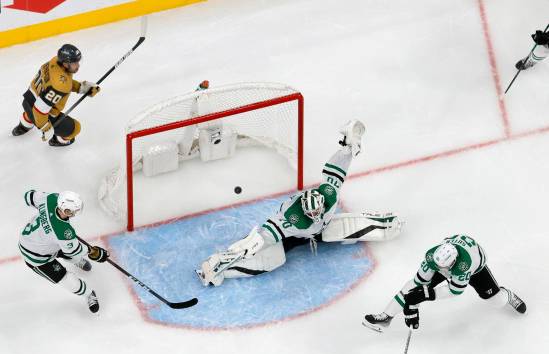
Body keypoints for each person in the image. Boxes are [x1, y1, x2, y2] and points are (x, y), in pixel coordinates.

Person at [196, 120, 402, 286]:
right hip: (292, 236)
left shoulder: (327, 194)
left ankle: (381, 224)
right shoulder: (292, 219)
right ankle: (221, 268)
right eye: (312, 214)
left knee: (335, 230)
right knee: (272, 260)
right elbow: (263, 237)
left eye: (318, 212)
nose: (316, 214)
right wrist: (234, 253)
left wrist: (348, 147)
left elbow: (335, 169)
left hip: (319, 230)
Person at [363, 235, 525, 332]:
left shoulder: (464, 265)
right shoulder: (433, 256)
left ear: (453, 262)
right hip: (448, 263)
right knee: (412, 286)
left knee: (497, 302)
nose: (440, 269)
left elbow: (455, 291)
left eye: (444, 267)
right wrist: (413, 302)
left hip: (476, 270)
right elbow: (418, 282)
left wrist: (426, 295)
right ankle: (386, 316)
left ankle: (507, 295)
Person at [19, 189, 108, 313]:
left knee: (65, 249)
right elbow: (75, 250)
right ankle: (89, 294)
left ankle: (75, 261)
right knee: (68, 280)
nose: (73, 215)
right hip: (37, 258)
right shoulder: (64, 232)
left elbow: (28, 196)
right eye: (71, 212)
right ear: (64, 209)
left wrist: (46, 216)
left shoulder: (51, 198)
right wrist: (94, 253)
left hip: (38, 240)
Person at [12, 44, 99, 147]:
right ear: (66, 64)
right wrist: (45, 127)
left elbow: (61, 81)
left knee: (32, 110)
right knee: (76, 128)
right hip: (39, 112)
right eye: (75, 63)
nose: (78, 65)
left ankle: (24, 125)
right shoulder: (60, 84)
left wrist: (81, 87)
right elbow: (39, 109)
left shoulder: (54, 61)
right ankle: (58, 140)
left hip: (27, 101)